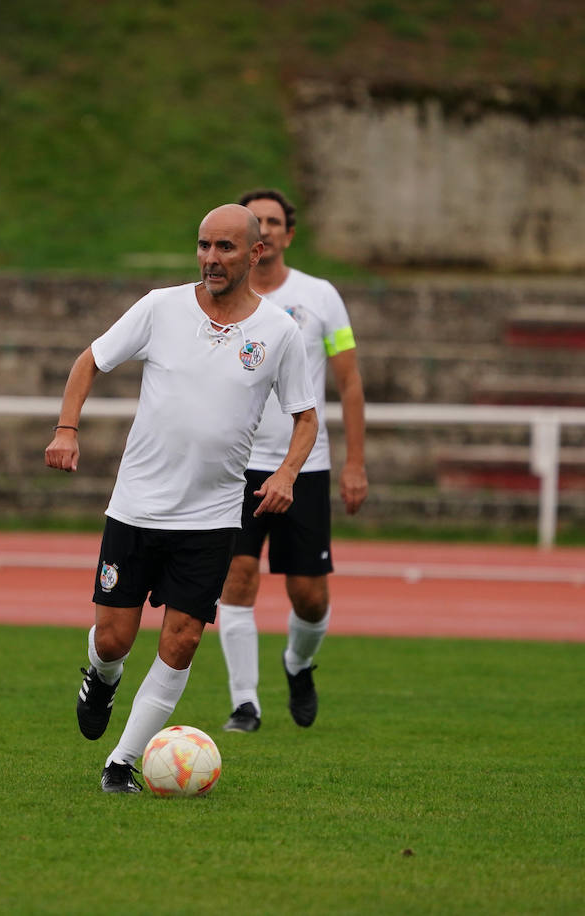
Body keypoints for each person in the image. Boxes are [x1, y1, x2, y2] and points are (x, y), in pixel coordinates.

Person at [44, 203, 319, 793]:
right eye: (203, 246)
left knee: (184, 638)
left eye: (224, 248)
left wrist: (288, 474)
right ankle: (101, 674)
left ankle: (121, 762)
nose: (210, 259)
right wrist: (67, 428)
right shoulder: (160, 307)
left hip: (214, 516)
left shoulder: (279, 331)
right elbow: (90, 360)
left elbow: (306, 418)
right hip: (138, 506)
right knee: (115, 638)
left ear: (257, 253)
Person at [216, 188, 368, 734]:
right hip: (236, 465)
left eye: (275, 222)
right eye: (256, 221)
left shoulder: (320, 296)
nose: (267, 229)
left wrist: (355, 463)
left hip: (304, 464)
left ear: (287, 234)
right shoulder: (219, 297)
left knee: (308, 595)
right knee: (236, 578)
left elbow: (348, 383)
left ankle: (298, 664)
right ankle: (244, 703)